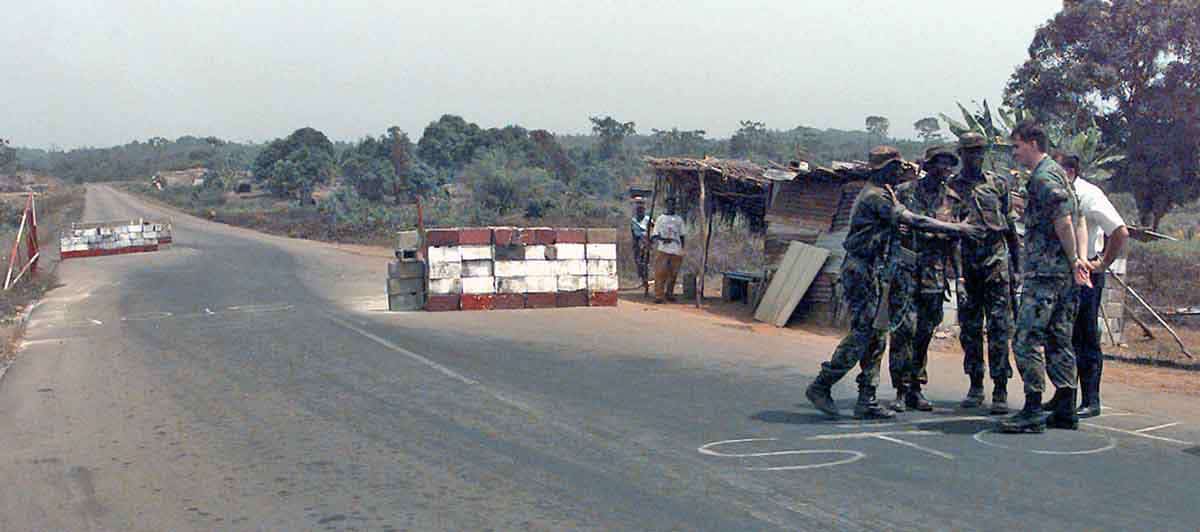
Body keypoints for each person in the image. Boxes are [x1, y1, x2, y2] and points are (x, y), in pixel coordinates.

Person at [806, 146, 983, 419]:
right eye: (893, 166)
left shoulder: (887, 192)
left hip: (878, 270)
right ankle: (823, 383)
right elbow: (916, 220)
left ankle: (867, 397)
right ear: (882, 168)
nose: (898, 170)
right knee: (864, 334)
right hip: (862, 269)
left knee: (877, 335)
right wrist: (958, 228)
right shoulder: (875, 196)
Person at [1000, 122, 1091, 434]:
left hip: (1046, 273)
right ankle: (1065, 405)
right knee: (1058, 338)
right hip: (1062, 274)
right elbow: (1078, 218)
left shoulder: (1043, 177)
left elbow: (1063, 221)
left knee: (1025, 338)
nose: (1015, 153)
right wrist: (1077, 261)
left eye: (1017, 146)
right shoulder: (1060, 175)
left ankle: (1033, 408)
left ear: (1033, 143)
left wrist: (1074, 258)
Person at [947, 132, 1022, 414]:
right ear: (961, 154)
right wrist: (959, 277)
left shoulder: (998, 184)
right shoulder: (952, 188)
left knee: (1000, 329)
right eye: (970, 151)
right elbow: (952, 235)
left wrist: (1017, 268)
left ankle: (1000, 387)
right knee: (970, 330)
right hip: (968, 266)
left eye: (979, 151)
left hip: (996, 265)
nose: (975, 156)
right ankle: (976, 385)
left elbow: (1010, 228)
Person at [1050, 151, 1129, 418]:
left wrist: (1103, 263)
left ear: (1070, 172)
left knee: (1085, 337)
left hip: (1085, 272)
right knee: (1062, 336)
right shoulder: (1057, 195)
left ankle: (1090, 399)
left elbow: (1119, 231)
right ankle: (1064, 395)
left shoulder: (1089, 195)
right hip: (1060, 273)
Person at [889, 145, 962, 412]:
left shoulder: (952, 199)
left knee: (923, 333)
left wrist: (959, 277)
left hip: (935, 273)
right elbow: (888, 223)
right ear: (928, 165)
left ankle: (916, 388)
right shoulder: (904, 192)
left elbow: (955, 239)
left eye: (948, 164)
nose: (945, 169)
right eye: (939, 163)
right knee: (903, 330)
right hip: (906, 270)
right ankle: (900, 388)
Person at [650, 198, 685, 304]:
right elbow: (655, 236)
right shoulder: (661, 219)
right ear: (666, 206)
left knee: (673, 274)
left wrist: (682, 249)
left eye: (673, 205)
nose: (671, 207)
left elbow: (682, 235)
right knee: (660, 273)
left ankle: (669, 293)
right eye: (669, 205)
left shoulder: (679, 219)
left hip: (676, 250)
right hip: (663, 250)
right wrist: (664, 240)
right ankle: (658, 295)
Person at [630, 201, 651, 283]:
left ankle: (645, 276)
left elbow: (653, 227)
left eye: (642, 211)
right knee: (638, 260)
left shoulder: (647, 219)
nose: (640, 213)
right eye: (638, 211)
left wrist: (649, 238)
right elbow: (632, 231)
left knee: (645, 260)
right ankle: (641, 275)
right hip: (637, 241)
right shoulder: (633, 220)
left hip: (645, 240)